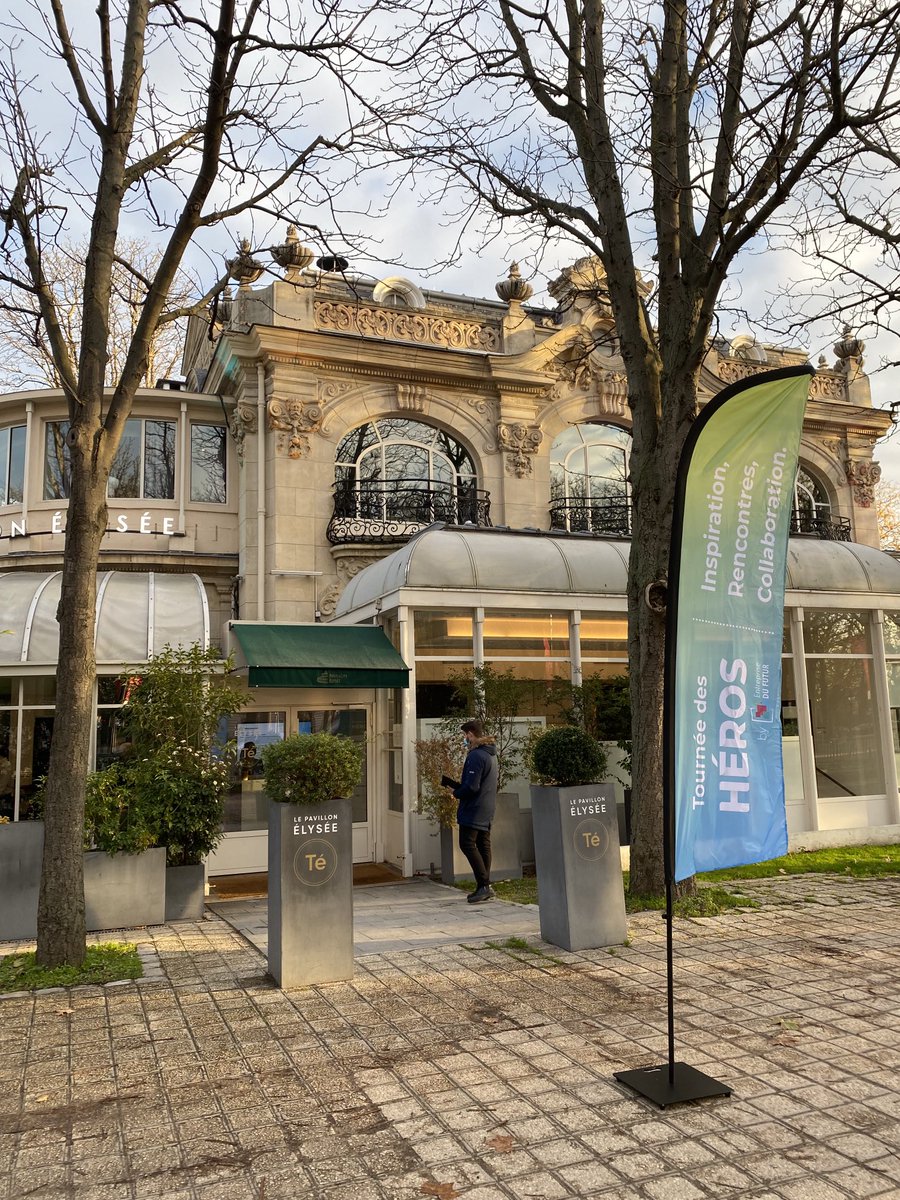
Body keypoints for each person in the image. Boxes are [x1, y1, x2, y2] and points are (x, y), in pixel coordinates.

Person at [447, 719, 498, 904]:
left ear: (470, 734)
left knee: (467, 843)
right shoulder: (491, 754)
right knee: (483, 843)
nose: (465, 739)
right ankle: (484, 886)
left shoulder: (476, 756)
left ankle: (483, 885)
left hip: (474, 808)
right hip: (487, 806)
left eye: (465, 736)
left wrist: (456, 792)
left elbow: (472, 787)